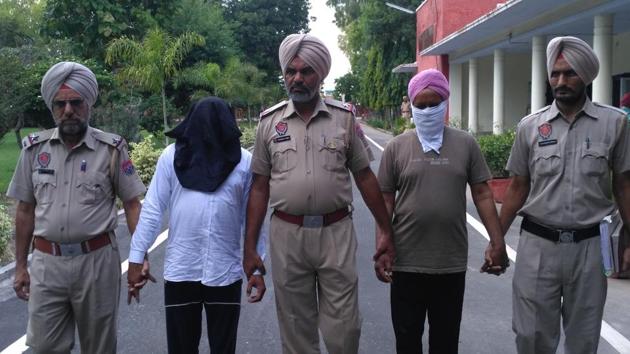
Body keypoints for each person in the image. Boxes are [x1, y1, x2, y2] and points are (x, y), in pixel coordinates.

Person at [242, 33, 395, 354]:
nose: (297, 78)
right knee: (296, 328)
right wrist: (250, 247)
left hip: (336, 233)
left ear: (321, 74)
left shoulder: (344, 119)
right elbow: (259, 187)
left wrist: (385, 230)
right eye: (291, 71)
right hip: (287, 235)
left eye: (306, 70)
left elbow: (365, 177)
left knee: (345, 328)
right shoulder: (269, 123)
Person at [499, 36, 630, 354]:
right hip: (537, 246)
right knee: (531, 337)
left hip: (591, 248)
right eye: (555, 73)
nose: (560, 81)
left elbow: (624, 185)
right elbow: (517, 187)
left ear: (585, 76)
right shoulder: (530, 127)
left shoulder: (615, 124)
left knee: (583, 339)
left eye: (569, 73)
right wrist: (495, 240)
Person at [7, 61, 147, 353]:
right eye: (60, 103)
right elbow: (24, 211)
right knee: (45, 346)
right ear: (52, 107)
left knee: (99, 346)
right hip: (47, 264)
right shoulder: (34, 150)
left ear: (88, 104)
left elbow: (132, 205)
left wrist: (140, 257)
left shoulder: (111, 149)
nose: (68, 110)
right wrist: (20, 266)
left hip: (97, 262)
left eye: (75, 102)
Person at [377, 69, 508, 354]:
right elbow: (385, 200)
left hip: (450, 263)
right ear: (411, 105)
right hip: (406, 262)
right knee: (407, 340)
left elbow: (483, 194)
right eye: (420, 106)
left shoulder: (465, 144)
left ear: (446, 102)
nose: (426, 111)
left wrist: (498, 242)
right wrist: (382, 246)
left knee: (445, 342)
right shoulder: (396, 148)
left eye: (434, 104)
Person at [127, 97, 268, 354]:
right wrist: (136, 258)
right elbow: (153, 209)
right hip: (182, 270)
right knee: (181, 348)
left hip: (225, 271)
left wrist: (256, 270)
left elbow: (254, 219)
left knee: (224, 348)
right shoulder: (171, 157)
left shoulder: (244, 162)